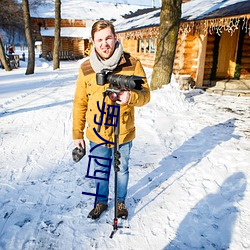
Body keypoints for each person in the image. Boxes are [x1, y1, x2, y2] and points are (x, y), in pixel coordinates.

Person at [72, 20, 150, 220]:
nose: (104, 43)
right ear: (93, 42)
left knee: (121, 168)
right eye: (99, 40)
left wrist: (130, 97)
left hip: (123, 131)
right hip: (97, 132)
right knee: (100, 168)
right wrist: (77, 134)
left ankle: (120, 201)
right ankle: (100, 202)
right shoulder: (86, 68)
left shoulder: (132, 63)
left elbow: (146, 95)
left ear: (115, 38)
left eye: (108, 38)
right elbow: (80, 102)